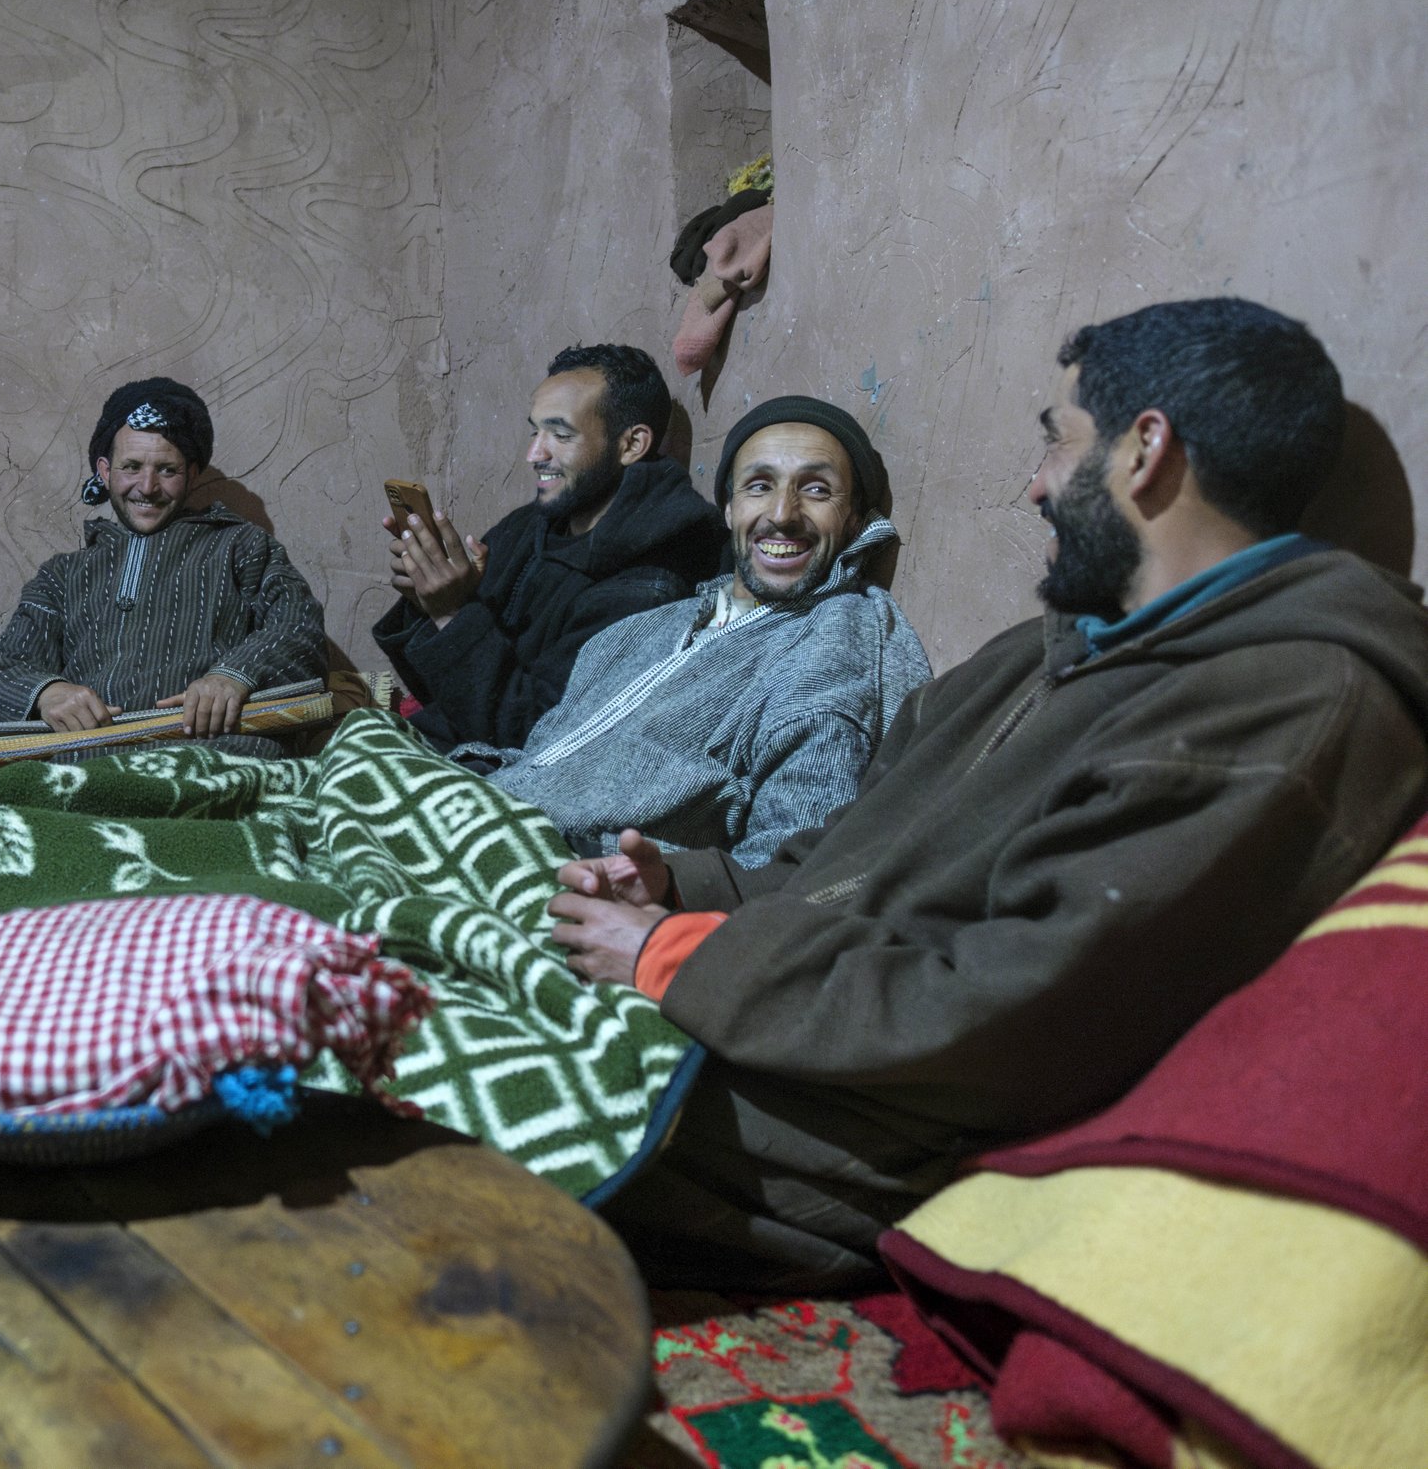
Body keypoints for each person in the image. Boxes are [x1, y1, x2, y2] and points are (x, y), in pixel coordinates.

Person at [544, 298, 1428, 1292]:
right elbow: (850, 854)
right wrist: (692, 884)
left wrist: (680, 956)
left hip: (885, 1140)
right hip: (799, 1028)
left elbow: (1008, 1018)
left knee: (438, 1048)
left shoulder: (1287, 710)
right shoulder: (1050, 650)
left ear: (1144, 451)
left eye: (1057, 444)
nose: (1035, 484)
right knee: (431, 938)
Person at [467, 397, 928, 866]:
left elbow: (786, 861)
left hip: (577, 872)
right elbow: (538, 757)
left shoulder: (833, 635)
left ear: (853, 523)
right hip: (485, 814)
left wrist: (656, 888)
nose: (783, 513)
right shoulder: (638, 631)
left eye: (815, 490)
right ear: (729, 510)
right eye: (759, 486)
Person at [375, 344, 726, 750]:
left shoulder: (652, 581)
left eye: (560, 434)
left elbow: (537, 740)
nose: (533, 454)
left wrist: (451, 615)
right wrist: (428, 602)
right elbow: (445, 695)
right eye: (534, 431)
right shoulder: (533, 526)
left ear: (632, 444)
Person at [0, 378, 329, 758]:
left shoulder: (243, 546)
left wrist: (234, 675)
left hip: (217, 762)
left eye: (167, 470)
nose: (147, 487)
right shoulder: (62, 576)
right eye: (131, 466)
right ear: (105, 471)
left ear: (193, 474)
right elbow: (5, 668)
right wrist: (48, 693)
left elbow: (298, 625)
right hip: (88, 771)